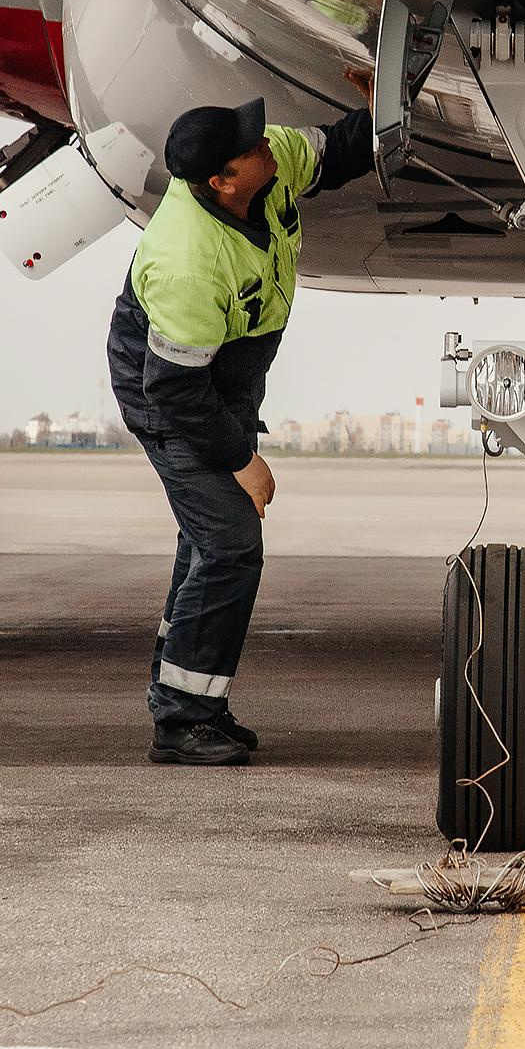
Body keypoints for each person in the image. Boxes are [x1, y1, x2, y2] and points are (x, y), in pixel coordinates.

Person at [106, 89, 373, 765]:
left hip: (224, 378)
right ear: (223, 181)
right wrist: (242, 460)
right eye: (251, 146)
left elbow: (336, 152)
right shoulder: (187, 260)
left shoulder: (268, 164)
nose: (267, 143)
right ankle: (181, 720)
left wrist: (387, 111)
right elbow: (174, 390)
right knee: (228, 545)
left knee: (208, 543)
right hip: (170, 391)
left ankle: (190, 703)